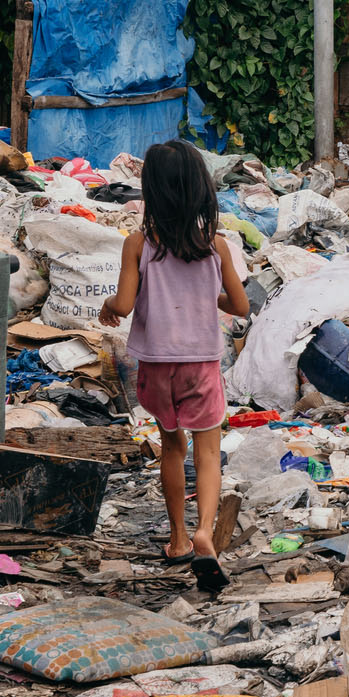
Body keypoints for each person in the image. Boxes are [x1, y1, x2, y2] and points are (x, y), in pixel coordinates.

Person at [101, 139, 250, 592]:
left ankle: (179, 539)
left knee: (172, 447)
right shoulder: (216, 246)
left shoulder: (138, 244)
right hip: (200, 365)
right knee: (207, 452)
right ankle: (205, 530)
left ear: (152, 192)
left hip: (156, 369)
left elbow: (125, 305)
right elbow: (240, 305)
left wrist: (109, 305)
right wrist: (211, 297)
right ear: (200, 190)